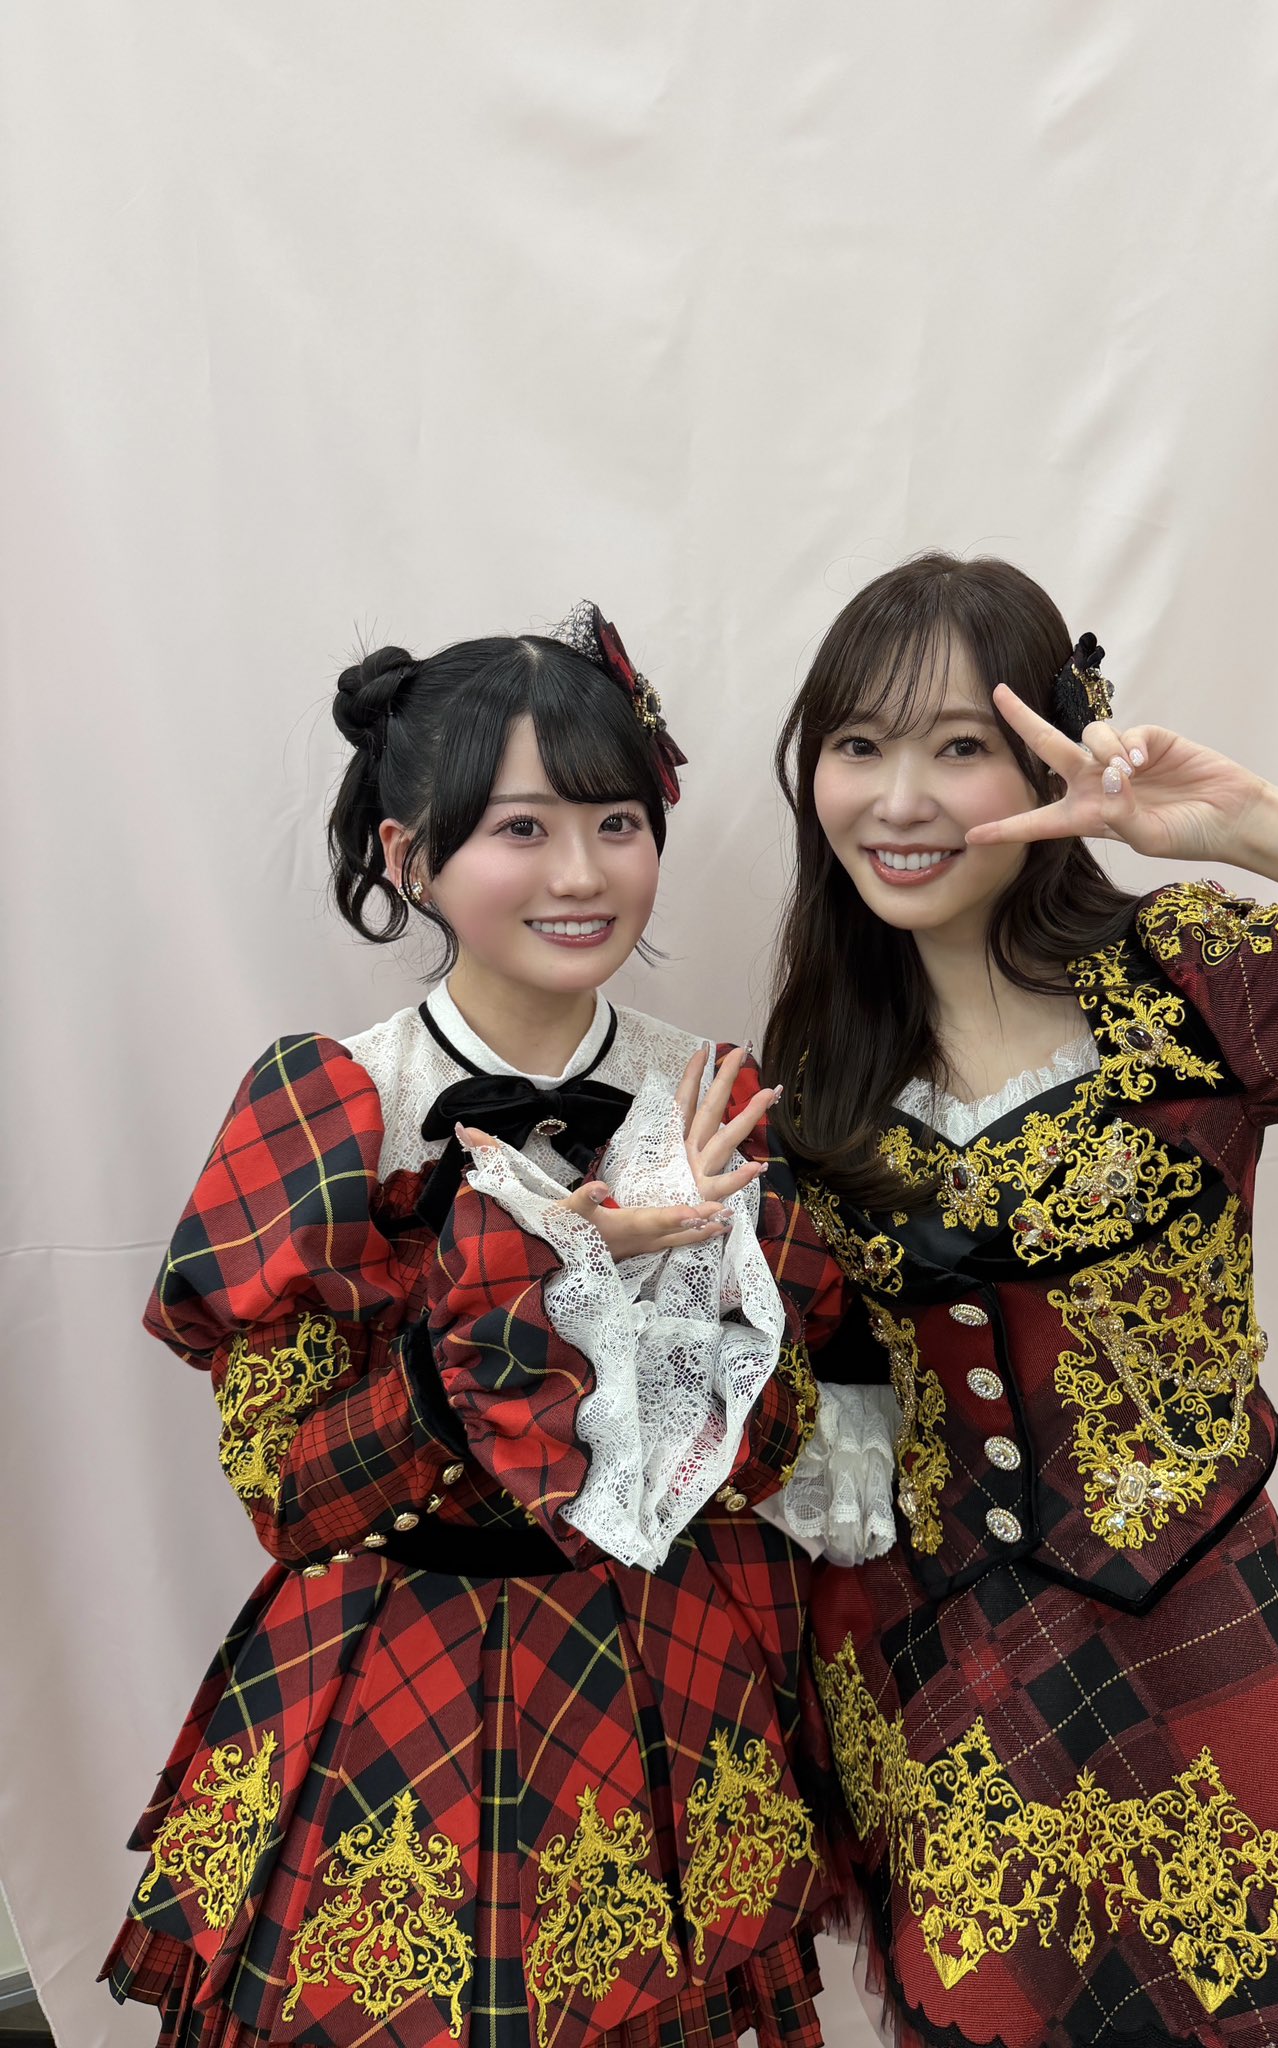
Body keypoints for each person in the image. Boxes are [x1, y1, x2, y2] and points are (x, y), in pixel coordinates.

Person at [752, 553, 1278, 2048]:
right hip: (957, 1701)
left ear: (1051, 750)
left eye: (958, 745)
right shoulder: (814, 1078)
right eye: (857, 745)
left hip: (1206, 1653)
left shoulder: (1185, 980)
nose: (900, 799)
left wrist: (1252, 822)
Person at [102, 607, 839, 2048]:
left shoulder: (713, 1093)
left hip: (661, 1667)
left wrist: (676, 1293)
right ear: (409, 853)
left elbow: (761, 1456)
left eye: (617, 823)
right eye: (521, 829)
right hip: (395, 1672)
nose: (581, 874)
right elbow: (291, 1493)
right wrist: (558, 1270)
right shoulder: (333, 1104)